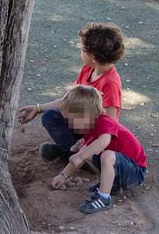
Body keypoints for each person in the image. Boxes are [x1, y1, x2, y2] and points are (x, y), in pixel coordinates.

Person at [17, 22, 125, 160]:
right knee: (50, 116)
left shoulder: (110, 83)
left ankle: (79, 157)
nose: (80, 52)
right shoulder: (88, 69)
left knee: (60, 126)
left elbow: (110, 124)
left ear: (92, 56)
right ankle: (72, 151)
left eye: (82, 49)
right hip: (81, 124)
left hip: (95, 135)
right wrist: (38, 108)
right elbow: (69, 101)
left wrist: (90, 143)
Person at [47, 85, 147, 214]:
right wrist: (63, 175)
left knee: (107, 155)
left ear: (85, 116)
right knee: (87, 151)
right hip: (122, 169)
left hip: (135, 171)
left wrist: (81, 155)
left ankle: (104, 198)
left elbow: (104, 141)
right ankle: (112, 187)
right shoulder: (90, 129)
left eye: (72, 120)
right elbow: (81, 155)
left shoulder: (105, 122)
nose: (70, 124)